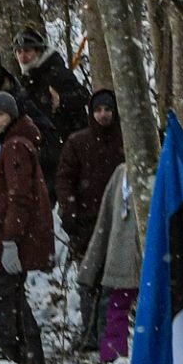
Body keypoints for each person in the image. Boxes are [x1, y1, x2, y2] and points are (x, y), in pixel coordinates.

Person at [0, 91, 54, 364]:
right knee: (12, 296)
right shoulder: (8, 145)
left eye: (1, 114)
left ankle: (8, 350)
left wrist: (10, 240)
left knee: (3, 295)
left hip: (11, 237)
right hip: (6, 235)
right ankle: (31, 357)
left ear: (11, 116)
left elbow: (19, 197)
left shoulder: (14, 148)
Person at [54, 88, 125, 346]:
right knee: (88, 280)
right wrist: (70, 211)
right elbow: (64, 179)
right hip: (87, 223)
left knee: (112, 282)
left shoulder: (125, 141)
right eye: (98, 110)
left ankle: (108, 337)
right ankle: (89, 335)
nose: (103, 115)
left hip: (120, 222)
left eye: (107, 110)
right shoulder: (78, 142)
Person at [78, 163, 140, 362]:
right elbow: (105, 221)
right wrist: (91, 264)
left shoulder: (163, 171)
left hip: (153, 258)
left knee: (155, 313)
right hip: (121, 257)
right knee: (116, 310)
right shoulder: (121, 174)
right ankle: (113, 360)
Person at [12, 27, 90, 178]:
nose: (23, 56)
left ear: (38, 51)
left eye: (27, 50)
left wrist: (61, 100)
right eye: (19, 51)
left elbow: (83, 95)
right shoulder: (25, 80)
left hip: (67, 148)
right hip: (43, 151)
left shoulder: (57, 72)